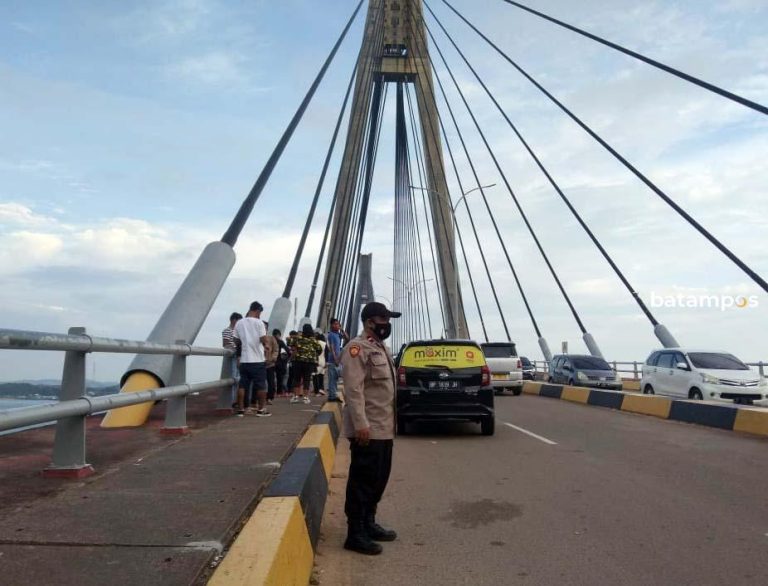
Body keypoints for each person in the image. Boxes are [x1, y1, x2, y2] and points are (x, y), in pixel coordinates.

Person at [341, 302, 400, 555]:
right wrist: (361, 424)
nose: (387, 324)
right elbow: (354, 390)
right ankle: (355, 533)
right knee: (362, 481)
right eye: (383, 319)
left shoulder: (380, 347)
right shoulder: (357, 348)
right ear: (369, 322)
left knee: (378, 479)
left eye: (388, 319)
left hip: (385, 427)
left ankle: (369, 523)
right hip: (369, 429)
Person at [233, 301, 271, 417]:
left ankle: (241, 410)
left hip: (244, 360)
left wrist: (244, 342)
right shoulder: (259, 323)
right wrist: (266, 346)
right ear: (258, 311)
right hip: (257, 360)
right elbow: (264, 339)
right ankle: (261, 409)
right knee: (261, 385)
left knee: (242, 385)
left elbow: (235, 340)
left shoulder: (239, 323)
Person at [289, 323, 322, 404]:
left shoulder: (297, 338)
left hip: (297, 361)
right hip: (309, 362)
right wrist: (312, 354)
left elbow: (291, 346)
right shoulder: (313, 340)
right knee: (307, 379)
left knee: (296, 378)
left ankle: (295, 396)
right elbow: (319, 350)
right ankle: (305, 397)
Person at [222, 312, 242, 407]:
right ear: (234, 320)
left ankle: (235, 400)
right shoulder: (227, 330)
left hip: (237, 355)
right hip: (233, 356)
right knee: (234, 378)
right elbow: (225, 344)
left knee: (238, 379)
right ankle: (232, 401)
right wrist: (235, 348)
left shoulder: (237, 331)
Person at [326, 318, 344, 402]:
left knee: (336, 378)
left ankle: (333, 395)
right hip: (333, 360)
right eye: (335, 324)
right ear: (331, 325)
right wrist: (336, 359)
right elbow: (332, 348)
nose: (337, 325)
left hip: (338, 360)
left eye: (338, 324)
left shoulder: (337, 335)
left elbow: (347, 338)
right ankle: (332, 396)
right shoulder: (331, 335)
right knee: (332, 379)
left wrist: (342, 330)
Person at [263, 322, 279, 405]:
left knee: (271, 382)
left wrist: (273, 358)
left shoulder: (271, 338)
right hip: (259, 364)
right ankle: (257, 399)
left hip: (270, 364)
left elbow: (276, 349)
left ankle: (269, 398)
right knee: (259, 382)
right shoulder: (256, 338)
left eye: (265, 327)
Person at [273, 329, 290, 396]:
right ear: (278, 335)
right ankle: (279, 392)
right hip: (278, 361)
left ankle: (271, 391)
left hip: (270, 361)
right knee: (279, 377)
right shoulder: (280, 342)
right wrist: (286, 359)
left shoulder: (270, 341)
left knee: (271, 377)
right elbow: (288, 350)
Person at [313, 331, 327, 396]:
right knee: (321, 376)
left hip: (317, 360)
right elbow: (327, 353)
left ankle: (317, 391)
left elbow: (315, 352)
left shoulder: (316, 343)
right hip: (323, 361)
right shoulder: (325, 343)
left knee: (315, 376)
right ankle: (322, 389)